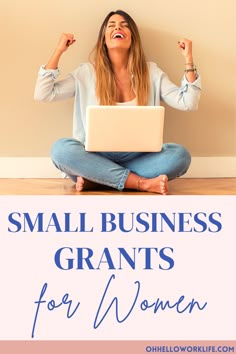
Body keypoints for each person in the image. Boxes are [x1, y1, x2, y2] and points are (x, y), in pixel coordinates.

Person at [34, 9, 201, 195]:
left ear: (132, 38)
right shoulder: (86, 73)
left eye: (124, 25)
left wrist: (188, 60)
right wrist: (59, 51)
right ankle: (140, 183)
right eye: (111, 26)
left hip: (139, 158)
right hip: (93, 156)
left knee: (180, 156)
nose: (118, 28)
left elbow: (188, 102)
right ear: (104, 39)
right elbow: (44, 94)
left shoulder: (151, 72)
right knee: (61, 150)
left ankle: (98, 178)